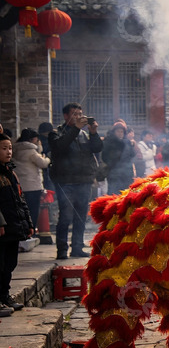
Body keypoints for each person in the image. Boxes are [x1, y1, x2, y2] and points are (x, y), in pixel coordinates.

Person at [49, 103, 103, 259]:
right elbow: (60, 147)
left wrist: (93, 133)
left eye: (80, 113)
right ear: (66, 116)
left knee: (80, 217)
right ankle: (62, 250)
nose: (79, 117)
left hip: (83, 181)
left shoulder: (83, 135)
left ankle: (77, 247)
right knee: (65, 217)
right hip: (65, 181)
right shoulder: (56, 133)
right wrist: (76, 129)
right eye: (75, 114)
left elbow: (97, 148)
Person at [0, 133, 34, 316]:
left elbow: (21, 200)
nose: (8, 152)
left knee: (9, 264)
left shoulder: (11, 173)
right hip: (2, 228)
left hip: (13, 226)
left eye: (10, 148)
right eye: (3, 148)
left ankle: (5, 296)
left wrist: (28, 223)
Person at [12, 129, 51, 237]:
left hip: (20, 185)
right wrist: (46, 157)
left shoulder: (15, 150)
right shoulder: (32, 151)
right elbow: (43, 163)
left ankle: (22, 232)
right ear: (33, 139)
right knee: (33, 211)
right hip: (33, 186)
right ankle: (31, 232)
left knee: (22, 210)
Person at [102, 121, 136, 195]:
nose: (120, 133)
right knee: (114, 196)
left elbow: (132, 155)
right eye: (118, 131)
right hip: (114, 175)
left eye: (122, 131)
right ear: (114, 132)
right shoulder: (108, 142)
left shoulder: (127, 142)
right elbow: (105, 157)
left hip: (127, 175)